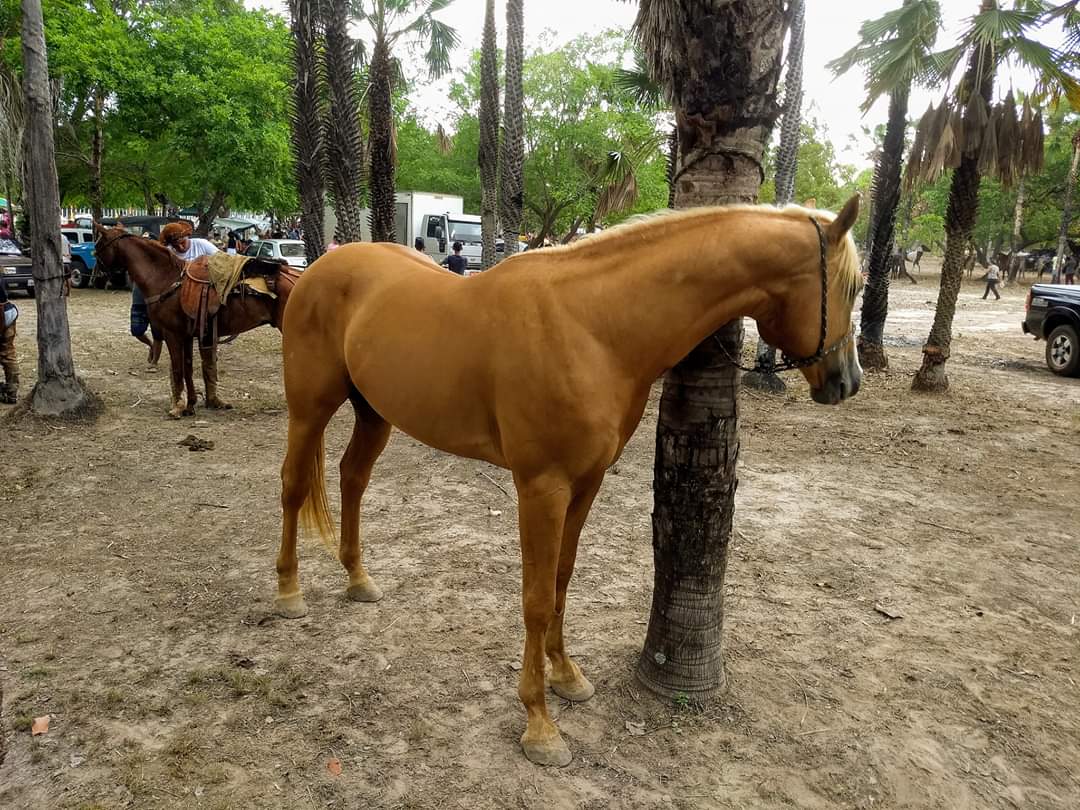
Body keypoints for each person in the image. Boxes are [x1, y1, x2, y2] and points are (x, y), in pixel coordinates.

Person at [130, 284, 163, 367]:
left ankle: (154, 361)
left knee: (157, 334)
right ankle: (151, 345)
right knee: (136, 331)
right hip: (138, 301)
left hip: (156, 302)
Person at [0, 276, 18, 403]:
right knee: (8, 354)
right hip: (7, 311)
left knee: (8, 354)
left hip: (4, 312)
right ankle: (12, 393)